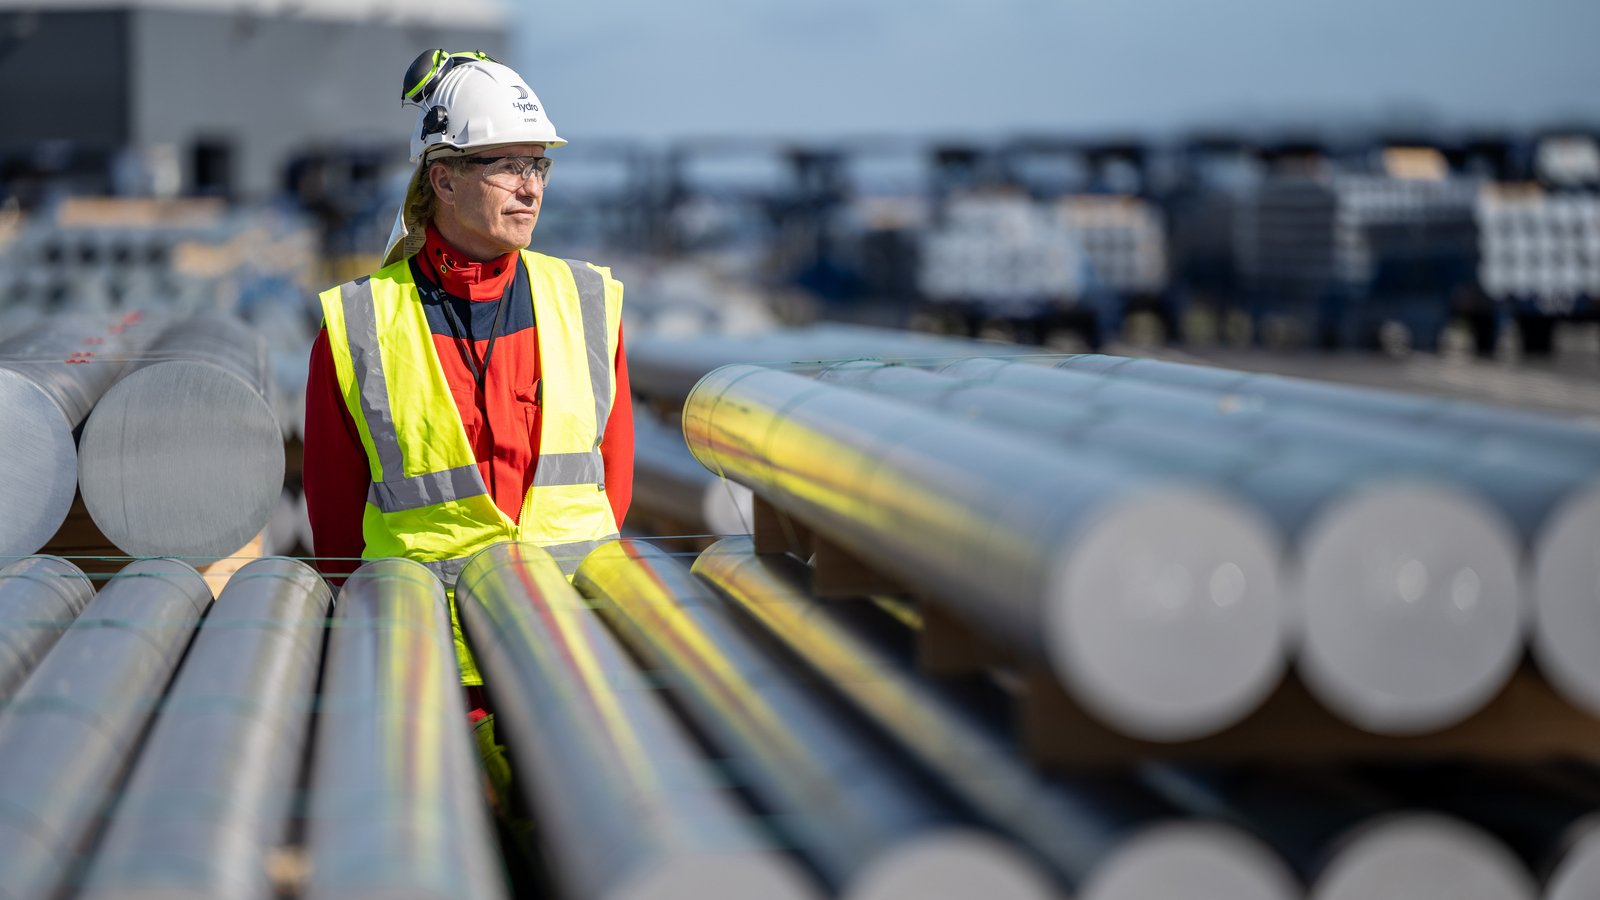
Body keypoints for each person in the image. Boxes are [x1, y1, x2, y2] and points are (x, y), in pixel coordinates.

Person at [302, 50, 634, 702]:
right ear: (445, 180)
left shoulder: (589, 303)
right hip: (431, 680)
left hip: (574, 665)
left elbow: (611, 491)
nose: (531, 186)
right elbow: (337, 538)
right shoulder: (358, 324)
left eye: (538, 163)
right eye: (507, 164)